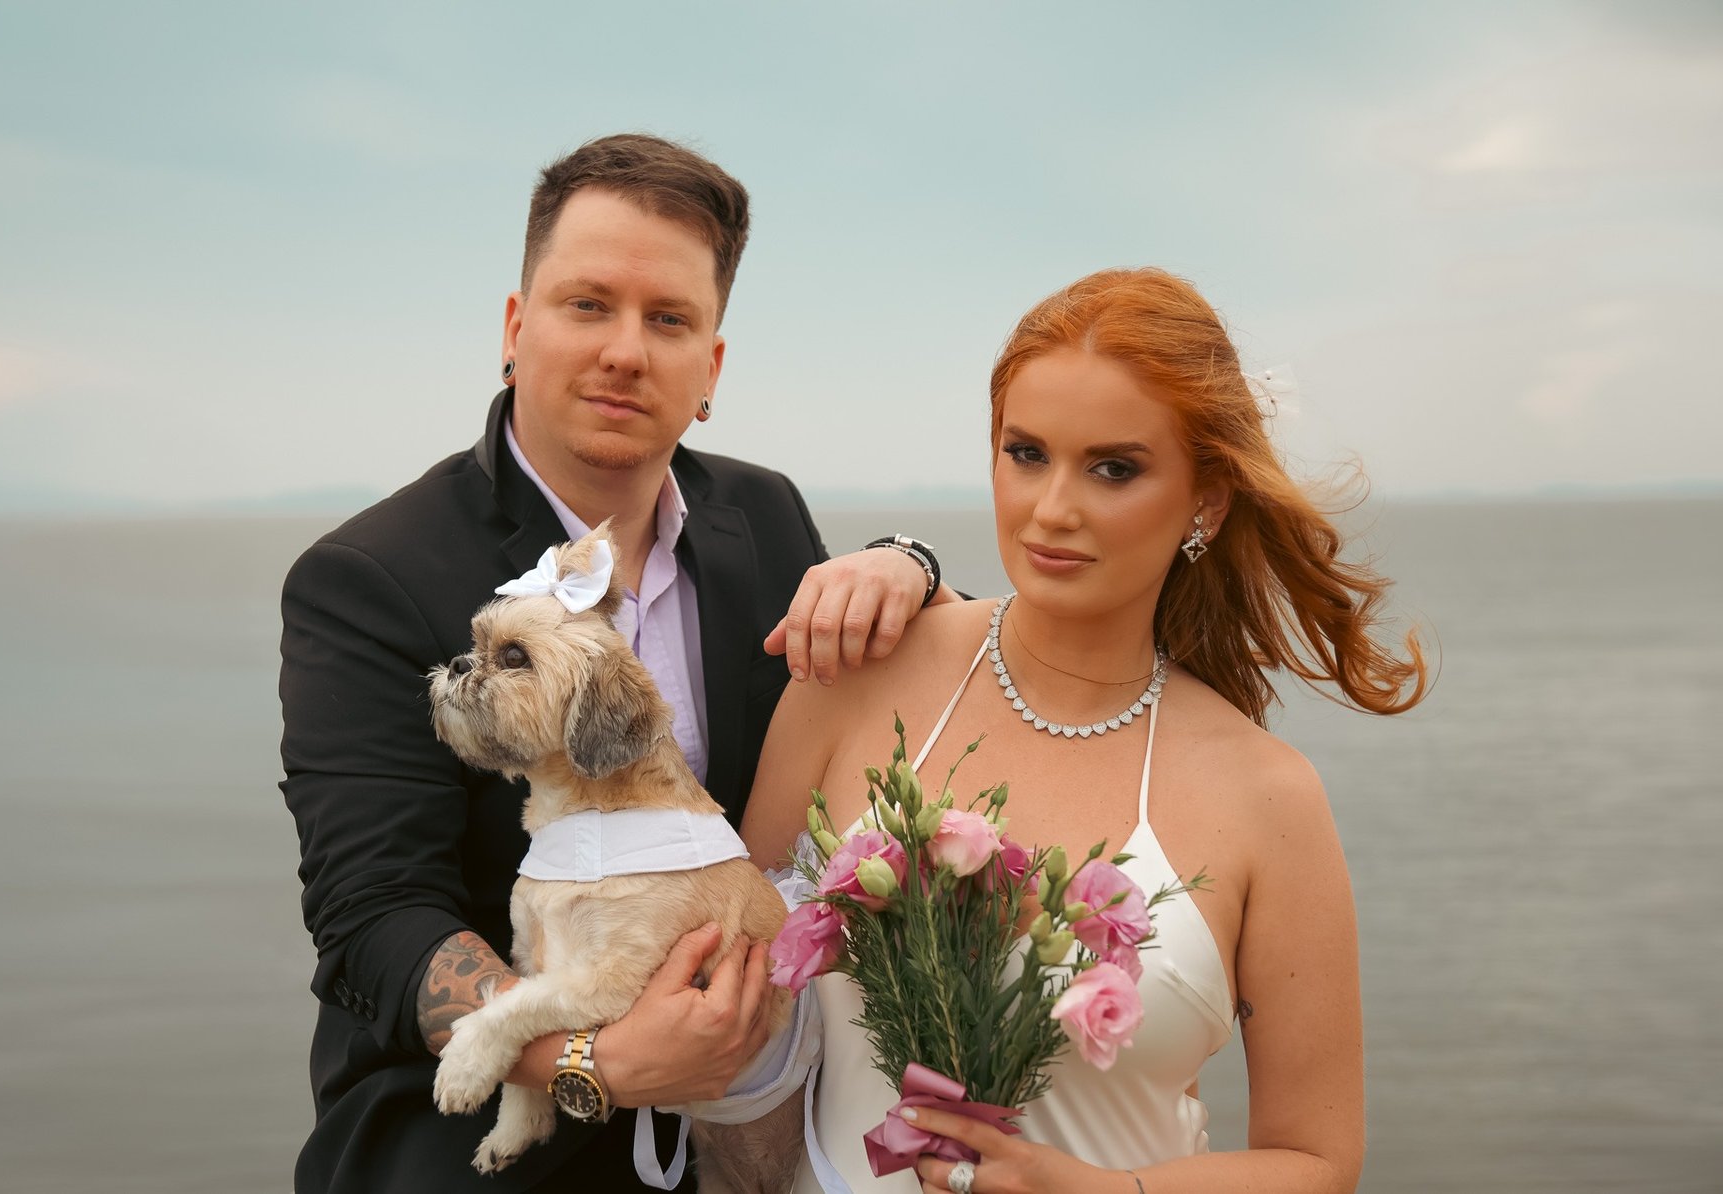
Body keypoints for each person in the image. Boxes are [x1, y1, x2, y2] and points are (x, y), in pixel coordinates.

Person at [278, 133, 955, 1194]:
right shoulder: (368, 575)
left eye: (669, 318)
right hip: (474, 1141)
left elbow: (870, 731)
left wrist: (910, 567)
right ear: (515, 329)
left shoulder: (766, 516)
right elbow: (374, 912)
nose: (626, 351)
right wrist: (589, 1062)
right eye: (588, 304)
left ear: (712, 368)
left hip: (762, 1125)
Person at [741, 268, 1428, 1193]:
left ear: (1207, 500)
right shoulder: (862, 677)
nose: (1052, 508)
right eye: (1026, 453)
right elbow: (737, 980)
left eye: (1114, 467)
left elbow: (1318, 1159)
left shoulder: (1269, 797)